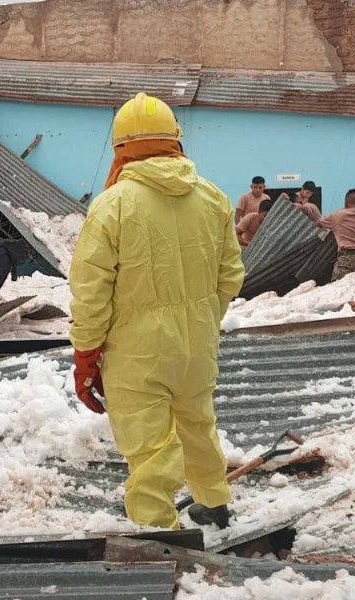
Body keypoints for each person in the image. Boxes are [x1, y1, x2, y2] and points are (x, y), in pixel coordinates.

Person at [69, 92, 244, 530]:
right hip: (197, 345)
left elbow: (90, 290)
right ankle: (215, 504)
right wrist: (203, 318)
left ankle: (157, 529)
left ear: (121, 148)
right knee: (197, 424)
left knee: (149, 444)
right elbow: (230, 276)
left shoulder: (113, 205)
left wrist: (86, 354)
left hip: (138, 352)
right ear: (175, 141)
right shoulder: (213, 198)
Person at [317, 189, 355, 281]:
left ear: (346, 204)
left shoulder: (337, 216)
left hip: (345, 261)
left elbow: (319, 223)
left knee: (338, 291)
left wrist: (343, 210)